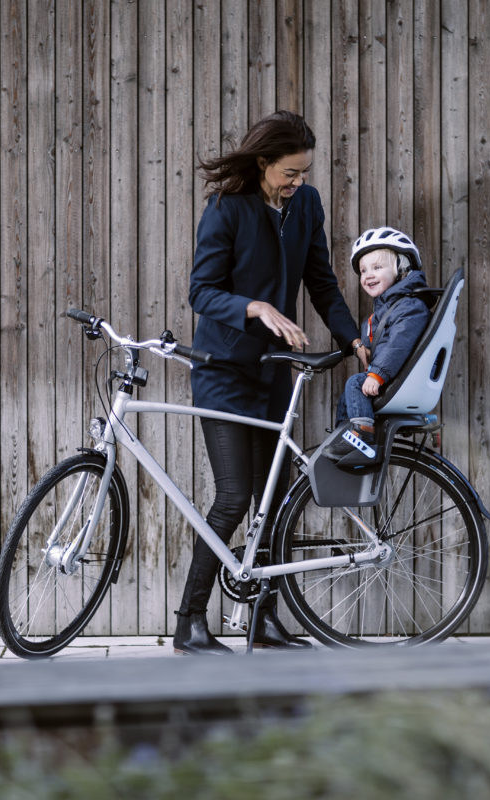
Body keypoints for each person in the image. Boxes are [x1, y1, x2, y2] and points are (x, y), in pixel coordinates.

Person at [176, 110, 365, 655]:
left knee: (275, 502)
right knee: (234, 496)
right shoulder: (226, 209)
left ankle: (264, 619)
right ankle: (190, 622)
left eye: (304, 172)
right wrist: (255, 306)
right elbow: (202, 291)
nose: (298, 182)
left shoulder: (305, 205)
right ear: (263, 164)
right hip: (224, 371)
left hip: (273, 373)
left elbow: (321, 282)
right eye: (289, 172)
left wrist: (352, 339)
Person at [322, 226, 430, 464]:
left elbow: (398, 346)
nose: (368, 275)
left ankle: (361, 436)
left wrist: (377, 374)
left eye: (377, 267)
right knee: (348, 395)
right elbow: (385, 339)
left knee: (355, 383)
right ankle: (344, 436)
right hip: (394, 375)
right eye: (363, 270)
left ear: (401, 267)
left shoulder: (409, 307)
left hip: (397, 378)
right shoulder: (391, 307)